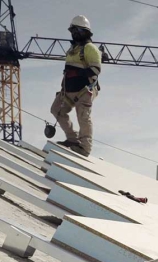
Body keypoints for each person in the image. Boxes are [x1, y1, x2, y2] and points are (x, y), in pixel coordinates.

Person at [50, 15, 101, 157]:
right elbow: (67, 71)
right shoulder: (72, 50)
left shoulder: (90, 48)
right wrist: (63, 87)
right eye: (72, 31)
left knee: (83, 116)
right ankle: (73, 139)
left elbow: (96, 71)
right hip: (69, 90)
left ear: (85, 32)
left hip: (84, 90)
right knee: (57, 110)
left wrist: (77, 73)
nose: (74, 34)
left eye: (76, 30)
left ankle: (85, 148)